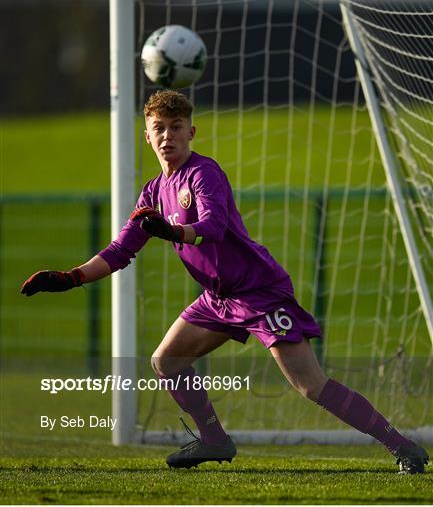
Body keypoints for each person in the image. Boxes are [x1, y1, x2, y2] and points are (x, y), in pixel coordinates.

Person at [21, 90, 429, 474]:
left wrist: (174, 233)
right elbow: (119, 251)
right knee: (167, 360)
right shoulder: (153, 192)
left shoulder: (204, 172)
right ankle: (214, 439)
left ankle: (401, 446)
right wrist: (70, 278)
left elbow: (212, 227)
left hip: (260, 294)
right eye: (159, 128)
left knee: (310, 386)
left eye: (176, 126)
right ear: (147, 136)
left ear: (191, 132)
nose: (168, 136)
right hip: (218, 299)